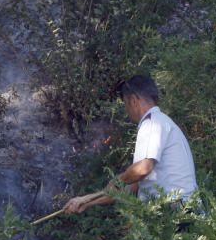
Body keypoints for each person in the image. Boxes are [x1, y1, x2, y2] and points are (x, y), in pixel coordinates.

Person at [65, 74, 197, 215]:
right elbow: (131, 186)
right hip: (182, 210)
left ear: (133, 100)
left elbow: (142, 169)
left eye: (125, 104)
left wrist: (118, 179)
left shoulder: (152, 123)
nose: (127, 111)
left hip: (177, 210)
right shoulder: (161, 122)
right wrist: (86, 201)